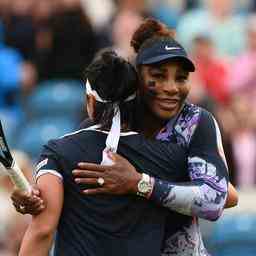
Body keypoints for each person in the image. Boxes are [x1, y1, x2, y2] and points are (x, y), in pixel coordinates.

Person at [14, 19, 237, 255]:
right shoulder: (102, 128)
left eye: (181, 78)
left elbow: (220, 197)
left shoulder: (195, 122)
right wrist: (36, 197)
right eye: (159, 76)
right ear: (136, 78)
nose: (172, 87)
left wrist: (139, 183)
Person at [18, 50, 199, 256]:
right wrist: (145, 183)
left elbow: (43, 230)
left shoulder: (59, 152)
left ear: (90, 100)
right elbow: (222, 195)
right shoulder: (168, 155)